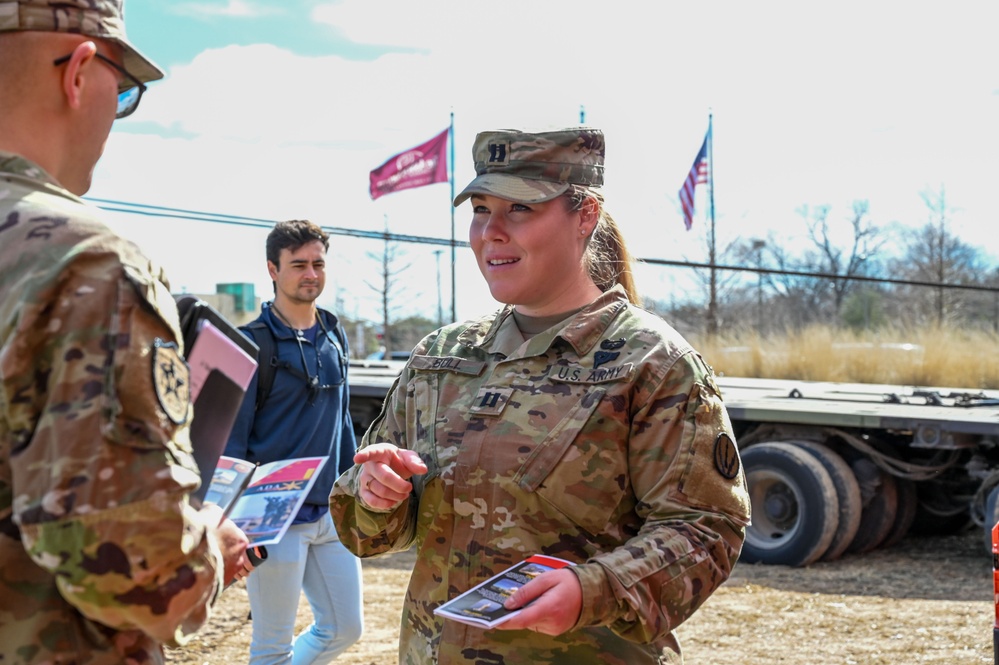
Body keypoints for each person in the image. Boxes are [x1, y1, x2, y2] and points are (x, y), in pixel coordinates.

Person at [330, 127, 752, 664]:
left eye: (520, 210)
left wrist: (592, 590)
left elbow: (707, 529)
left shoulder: (651, 362)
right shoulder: (442, 357)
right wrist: (372, 493)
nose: (491, 232)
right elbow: (369, 531)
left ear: (585, 216)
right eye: (481, 209)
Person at [0, 1, 253, 663]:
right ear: (79, 71)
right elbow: (138, 574)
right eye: (126, 87)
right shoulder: (83, 259)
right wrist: (212, 548)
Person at [225, 219, 363, 664]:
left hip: (331, 514)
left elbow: (341, 421)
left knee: (344, 628)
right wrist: (234, 523)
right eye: (299, 264)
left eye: (318, 264)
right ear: (273, 269)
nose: (311, 274)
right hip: (272, 518)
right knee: (271, 647)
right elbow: (233, 440)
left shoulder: (333, 334)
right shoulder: (251, 343)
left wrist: (352, 494)